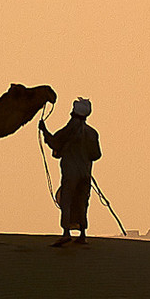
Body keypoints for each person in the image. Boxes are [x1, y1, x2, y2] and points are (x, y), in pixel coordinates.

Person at [41, 97, 102, 245]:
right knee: (82, 201)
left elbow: (54, 142)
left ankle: (66, 232)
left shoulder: (69, 130)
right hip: (85, 174)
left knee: (67, 200)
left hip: (71, 173)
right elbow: (96, 155)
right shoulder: (92, 133)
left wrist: (44, 130)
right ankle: (82, 233)